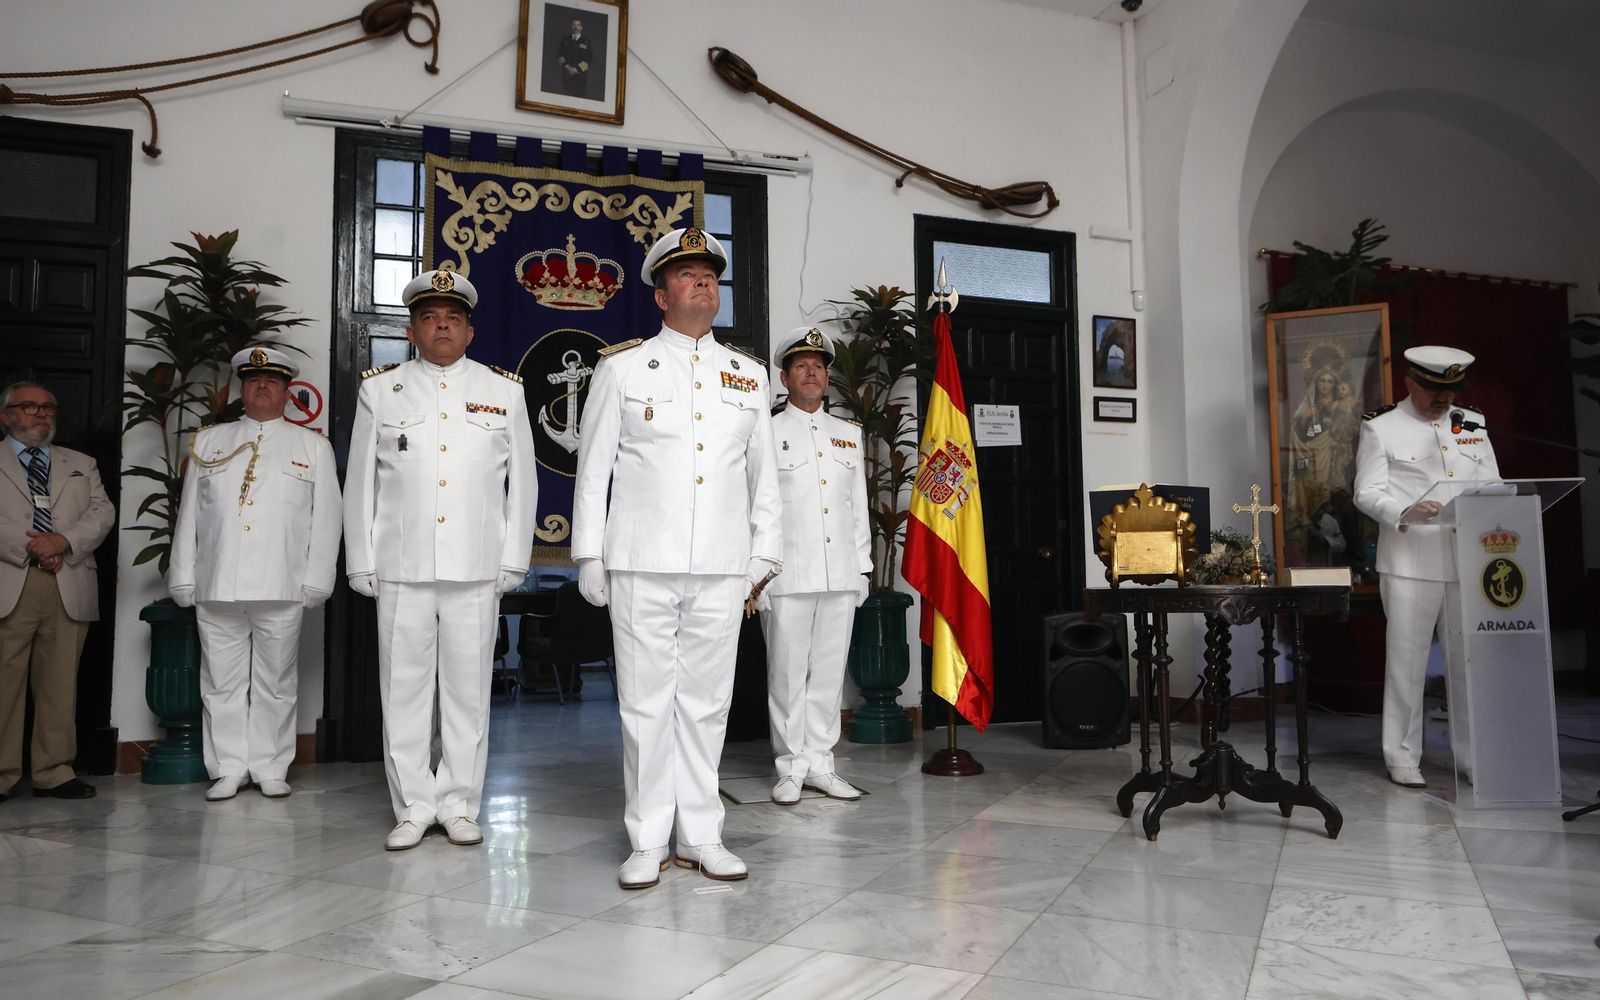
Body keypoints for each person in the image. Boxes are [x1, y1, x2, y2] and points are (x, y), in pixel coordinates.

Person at [572, 227, 783, 888]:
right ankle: (646, 838)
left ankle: (701, 834)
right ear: (662, 296)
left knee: (706, 705)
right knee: (644, 706)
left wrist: (763, 556)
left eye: (710, 275)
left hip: (722, 564)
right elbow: (594, 468)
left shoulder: (748, 375)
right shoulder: (622, 369)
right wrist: (588, 555)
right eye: (688, 275)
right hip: (642, 560)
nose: (704, 283)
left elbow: (764, 477)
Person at [344, 270, 537, 850]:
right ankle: (411, 806)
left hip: (476, 566)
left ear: (470, 332)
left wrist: (514, 557)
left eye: (453, 318)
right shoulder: (381, 391)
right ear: (412, 331)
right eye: (429, 318)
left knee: (468, 694)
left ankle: (458, 804)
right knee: (402, 692)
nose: (442, 326)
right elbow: (360, 483)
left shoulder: (504, 391)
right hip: (401, 565)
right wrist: (360, 559)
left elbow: (523, 485)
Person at [169, 348, 341, 802]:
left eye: (272, 381)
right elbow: (190, 514)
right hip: (217, 580)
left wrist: (318, 579)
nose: (262, 387)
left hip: (281, 582)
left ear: (287, 392)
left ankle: (270, 766)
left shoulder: (312, 446)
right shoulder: (210, 441)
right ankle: (228, 768)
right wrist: (183, 574)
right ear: (241, 390)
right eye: (253, 380)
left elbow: (327, 520)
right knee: (220, 683)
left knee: (276, 683)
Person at [1353, 346, 1499, 788]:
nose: (1444, 399)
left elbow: (1493, 483)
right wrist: (1405, 511)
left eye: (1451, 391)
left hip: (1468, 560)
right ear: (1410, 383)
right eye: (1435, 390)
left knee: (1468, 662)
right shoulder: (1381, 427)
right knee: (1407, 662)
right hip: (1410, 559)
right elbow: (1366, 491)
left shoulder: (1471, 422)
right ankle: (1401, 756)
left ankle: (1474, 757)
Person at [762, 328, 871, 806]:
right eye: (802, 366)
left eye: (819, 366)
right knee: (787, 675)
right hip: (788, 574)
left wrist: (863, 569)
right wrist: (760, 573)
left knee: (828, 673)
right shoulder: (767, 432)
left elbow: (857, 508)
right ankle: (790, 767)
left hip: (840, 573)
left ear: (827, 378)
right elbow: (757, 507)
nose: (812, 372)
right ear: (784, 378)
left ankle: (821, 764)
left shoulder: (848, 435)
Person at [0, 381, 114, 802]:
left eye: (48, 407)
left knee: (60, 684)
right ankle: (1, 774)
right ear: (6, 416)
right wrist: (34, 546)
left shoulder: (81, 462)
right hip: (12, 580)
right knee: (3, 683)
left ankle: (53, 772)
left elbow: (102, 512)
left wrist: (62, 541)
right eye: (29, 406)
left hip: (68, 579)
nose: (41, 413)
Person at [555, 18, 592, 98]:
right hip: (567, 74)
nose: (576, 27)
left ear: (581, 27)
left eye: (578, 25)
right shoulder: (565, 40)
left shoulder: (586, 42)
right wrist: (567, 67)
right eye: (574, 25)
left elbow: (589, 59)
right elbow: (560, 56)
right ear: (571, 26)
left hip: (580, 75)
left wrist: (576, 69)